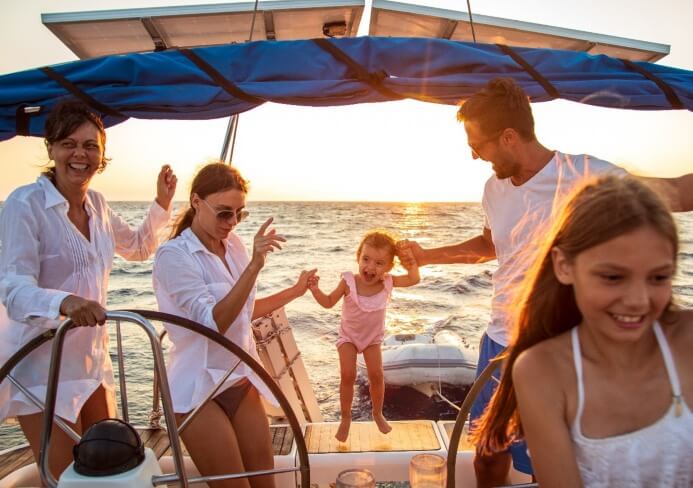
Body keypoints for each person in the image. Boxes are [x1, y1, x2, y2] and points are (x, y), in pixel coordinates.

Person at [398, 77, 693, 486]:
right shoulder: (493, 188)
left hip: (557, 340)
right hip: (499, 338)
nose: (473, 154)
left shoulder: (585, 175)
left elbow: (674, 192)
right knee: (487, 454)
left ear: (508, 137)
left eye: (477, 144)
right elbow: (491, 243)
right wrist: (429, 256)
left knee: (550, 462)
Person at [474, 175, 693, 487]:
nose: (638, 301)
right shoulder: (542, 371)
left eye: (658, 278)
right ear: (564, 266)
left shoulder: (688, 340)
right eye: (613, 277)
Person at [0, 100, 177, 478]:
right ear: (50, 149)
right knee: (67, 479)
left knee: (109, 471)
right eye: (69, 143)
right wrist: (65, 302)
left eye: (90, 145)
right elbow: (13, 289)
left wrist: (161, 204)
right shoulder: (23, 204)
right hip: (40, 369)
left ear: (102, 155)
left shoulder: (97, 204)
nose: (80, 154)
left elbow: (138, 247)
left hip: (92, 363)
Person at [152, 162, 316, 488]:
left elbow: (245, 311)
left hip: (240, 379)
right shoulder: (174, 257)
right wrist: (255, 266)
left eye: (239, 214)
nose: (232, 223)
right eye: (224, 213)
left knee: (264, 484)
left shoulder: (236, 246)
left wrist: (296, 291)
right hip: (198, 389)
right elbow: (213, 323)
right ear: (196, 202)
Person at [307, 230, 420, 442]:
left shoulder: (388, 282)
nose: (370, 267)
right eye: (365, 259)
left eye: (379, 263)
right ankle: (346, 418)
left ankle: (377, 414)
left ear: (388, 267)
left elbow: (414, 279)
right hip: (348, 337)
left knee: (377, 376)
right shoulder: (348, 282)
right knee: (348, 375)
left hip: (372, 340)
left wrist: (410, 259)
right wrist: (315, 289)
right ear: (358, 257)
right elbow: (328, 302)